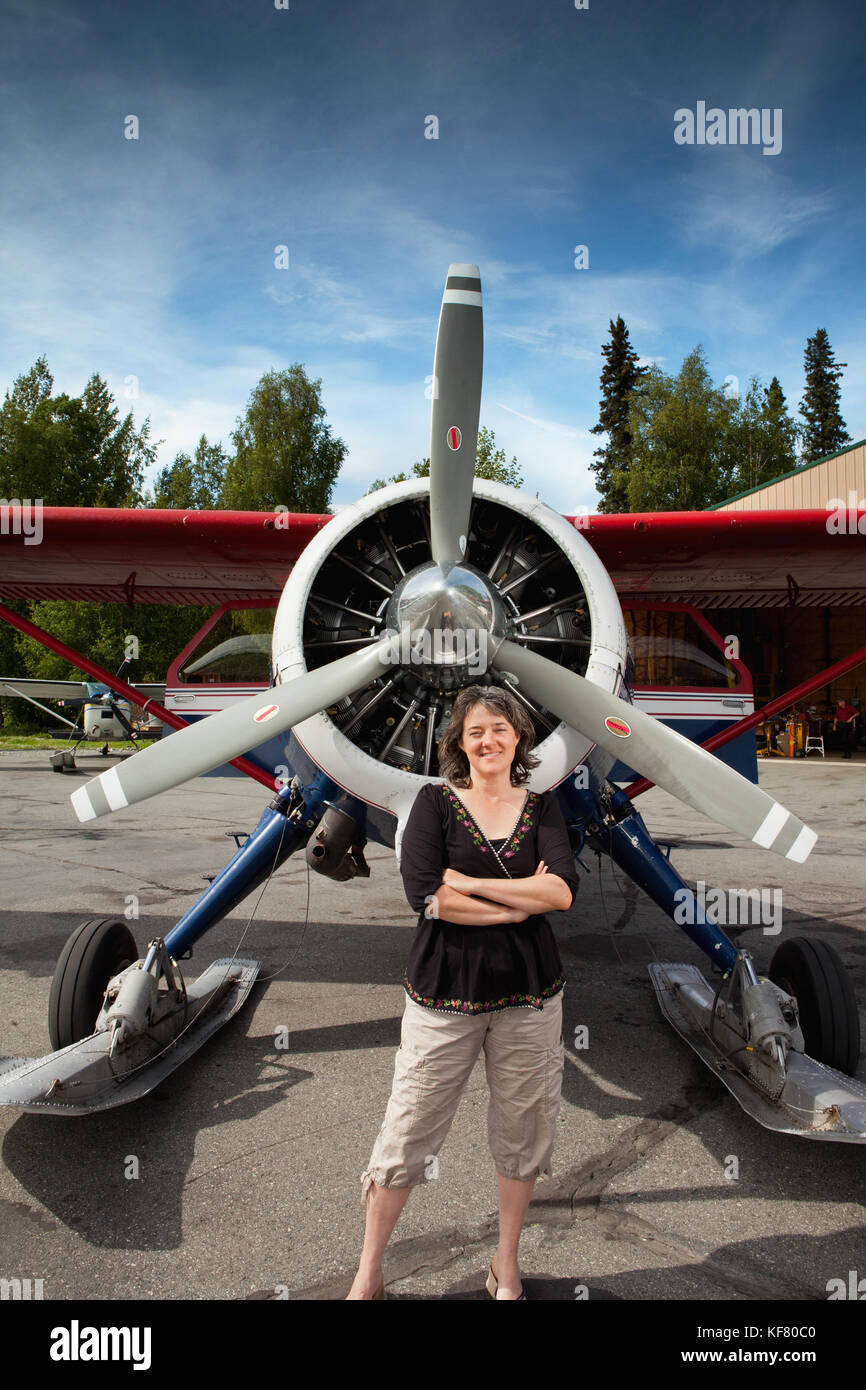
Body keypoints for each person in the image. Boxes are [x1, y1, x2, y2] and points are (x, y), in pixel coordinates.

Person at [347, 684, 579, 1300]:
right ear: (458, 742)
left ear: (519, 739)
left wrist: (468, 887)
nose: (489, 741)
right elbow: (429, 898)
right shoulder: (433, 803)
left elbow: (561, 893)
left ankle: (506, 1263)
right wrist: (517, 900)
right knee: (408, 1130)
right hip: (442, 998)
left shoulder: (545, 806)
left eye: (500, 729)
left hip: (530, 999)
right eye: (476, 731)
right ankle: (369, 1271)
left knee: (524, 1132)